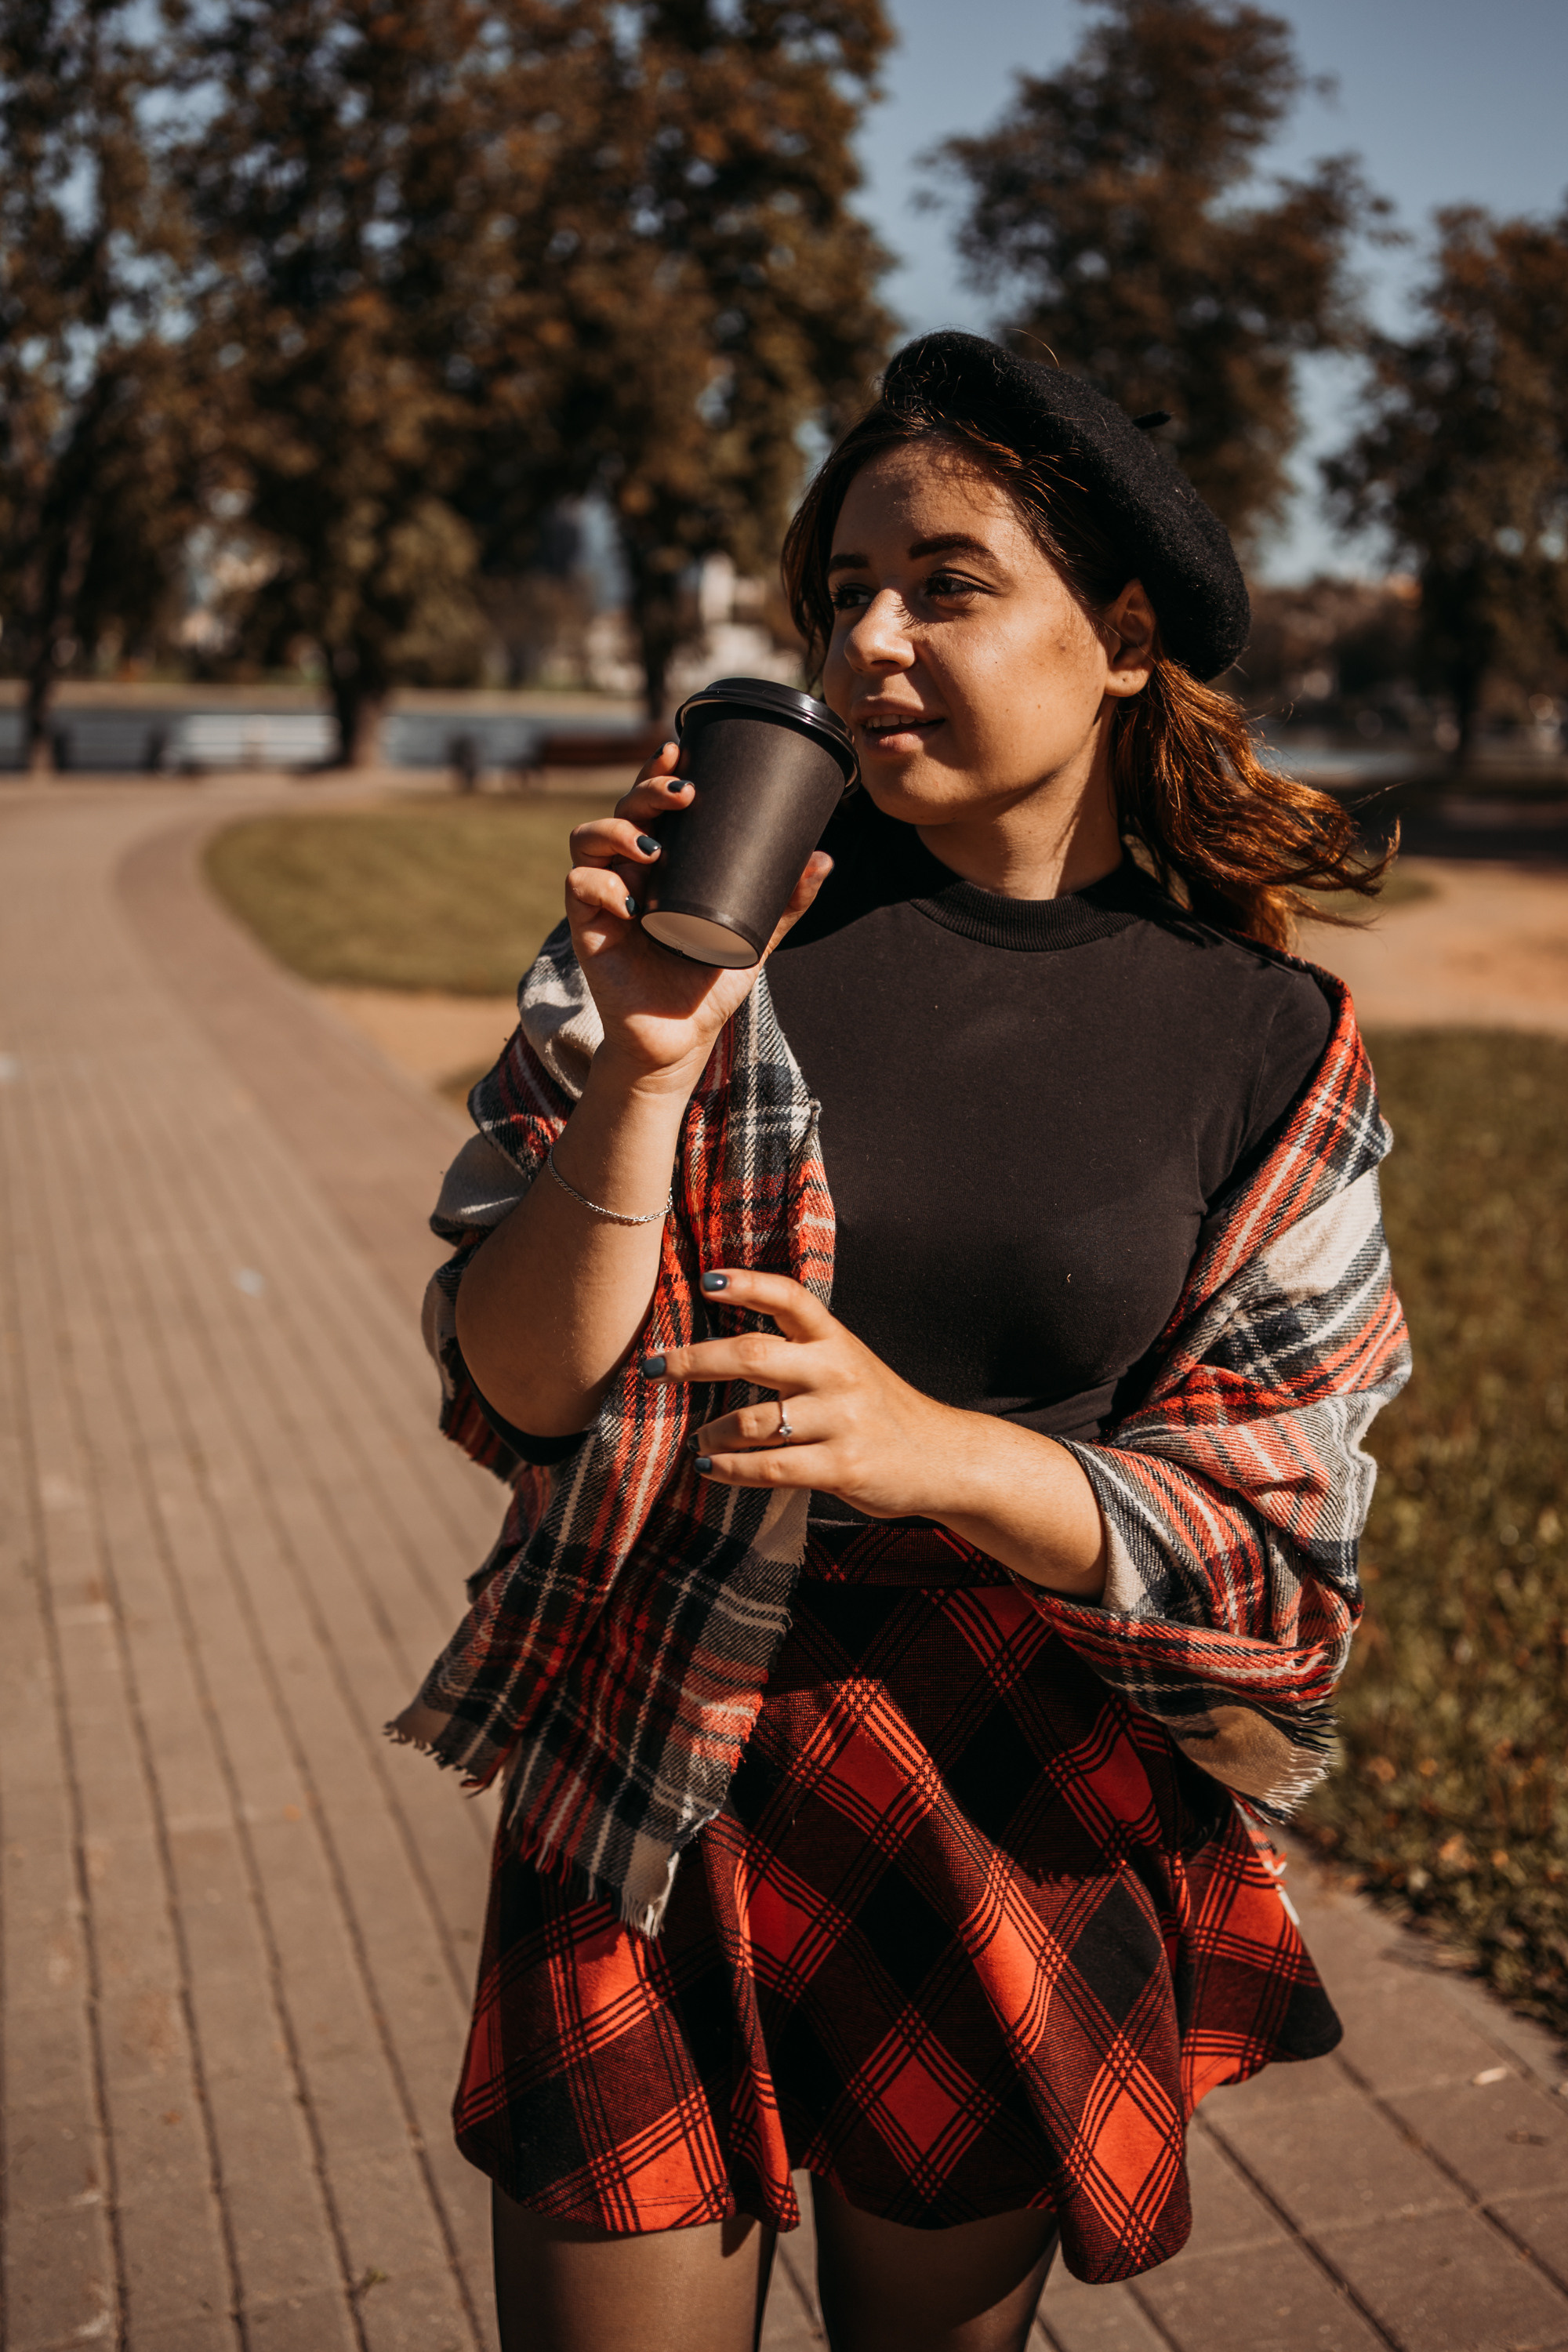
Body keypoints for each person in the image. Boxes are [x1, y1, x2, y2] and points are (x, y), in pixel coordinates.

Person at [390, 332, 1411, 2352]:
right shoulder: (705, 947)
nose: (867, 641)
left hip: (1007, 1801)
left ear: (1122, 636)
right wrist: (646, 1067)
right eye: (840, 594)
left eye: (946, 583)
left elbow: (1286, 1535)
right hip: (651, 1758)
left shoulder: (1265, 1041)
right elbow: (515, 1382)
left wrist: (932, 1450)